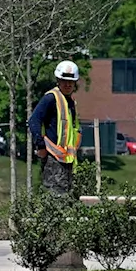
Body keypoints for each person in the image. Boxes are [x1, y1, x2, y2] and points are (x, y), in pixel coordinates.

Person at [28, 60, 82, 196]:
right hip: (53, 158)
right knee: (56, 198)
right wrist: (40, 145)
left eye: (71, 81)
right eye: (64, 81)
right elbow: (34, 120)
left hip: (67, 159)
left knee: (67, 197)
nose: (68, 84)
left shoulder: (70, 102)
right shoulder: (51, 98)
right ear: (58, 80)